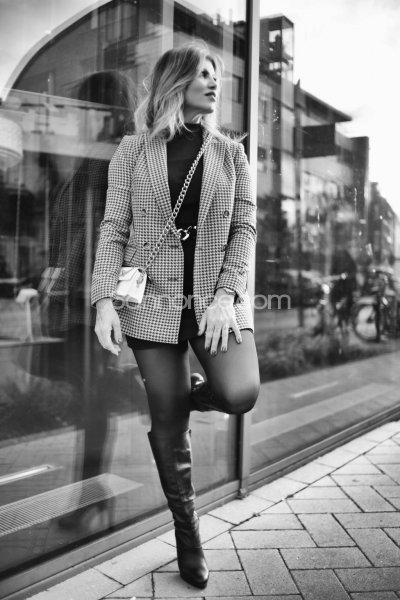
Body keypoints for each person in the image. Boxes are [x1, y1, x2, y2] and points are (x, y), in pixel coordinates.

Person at [91, 44, 260, 589]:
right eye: (203, 74)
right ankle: (188, 535)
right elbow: (114, 228)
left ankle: (188, 393)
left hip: (213, 302)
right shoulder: (133, 150)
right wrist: (103, 301)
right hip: (151, 303)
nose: (214, 82)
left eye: (216, 75)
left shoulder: (231, 153)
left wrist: (227, 295)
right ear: (177, 81)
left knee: (238, 393)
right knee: (168, 422)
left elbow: (244, 229)